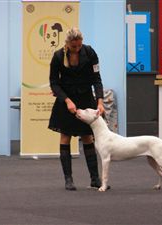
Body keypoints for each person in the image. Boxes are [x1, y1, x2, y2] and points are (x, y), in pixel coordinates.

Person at [48, 27, 105, 190]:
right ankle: (68, 179)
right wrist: (66, 100)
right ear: (67, 43)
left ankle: (95, 179)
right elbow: (54, 82)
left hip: (86, 99)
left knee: (88, 137)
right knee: (65, 137)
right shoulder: (58, 56)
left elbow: (97, 79)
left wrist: (99, 101)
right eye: (74, 47)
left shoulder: (90, 53)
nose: (77, 49)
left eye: (79, 46)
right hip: (66, 100)